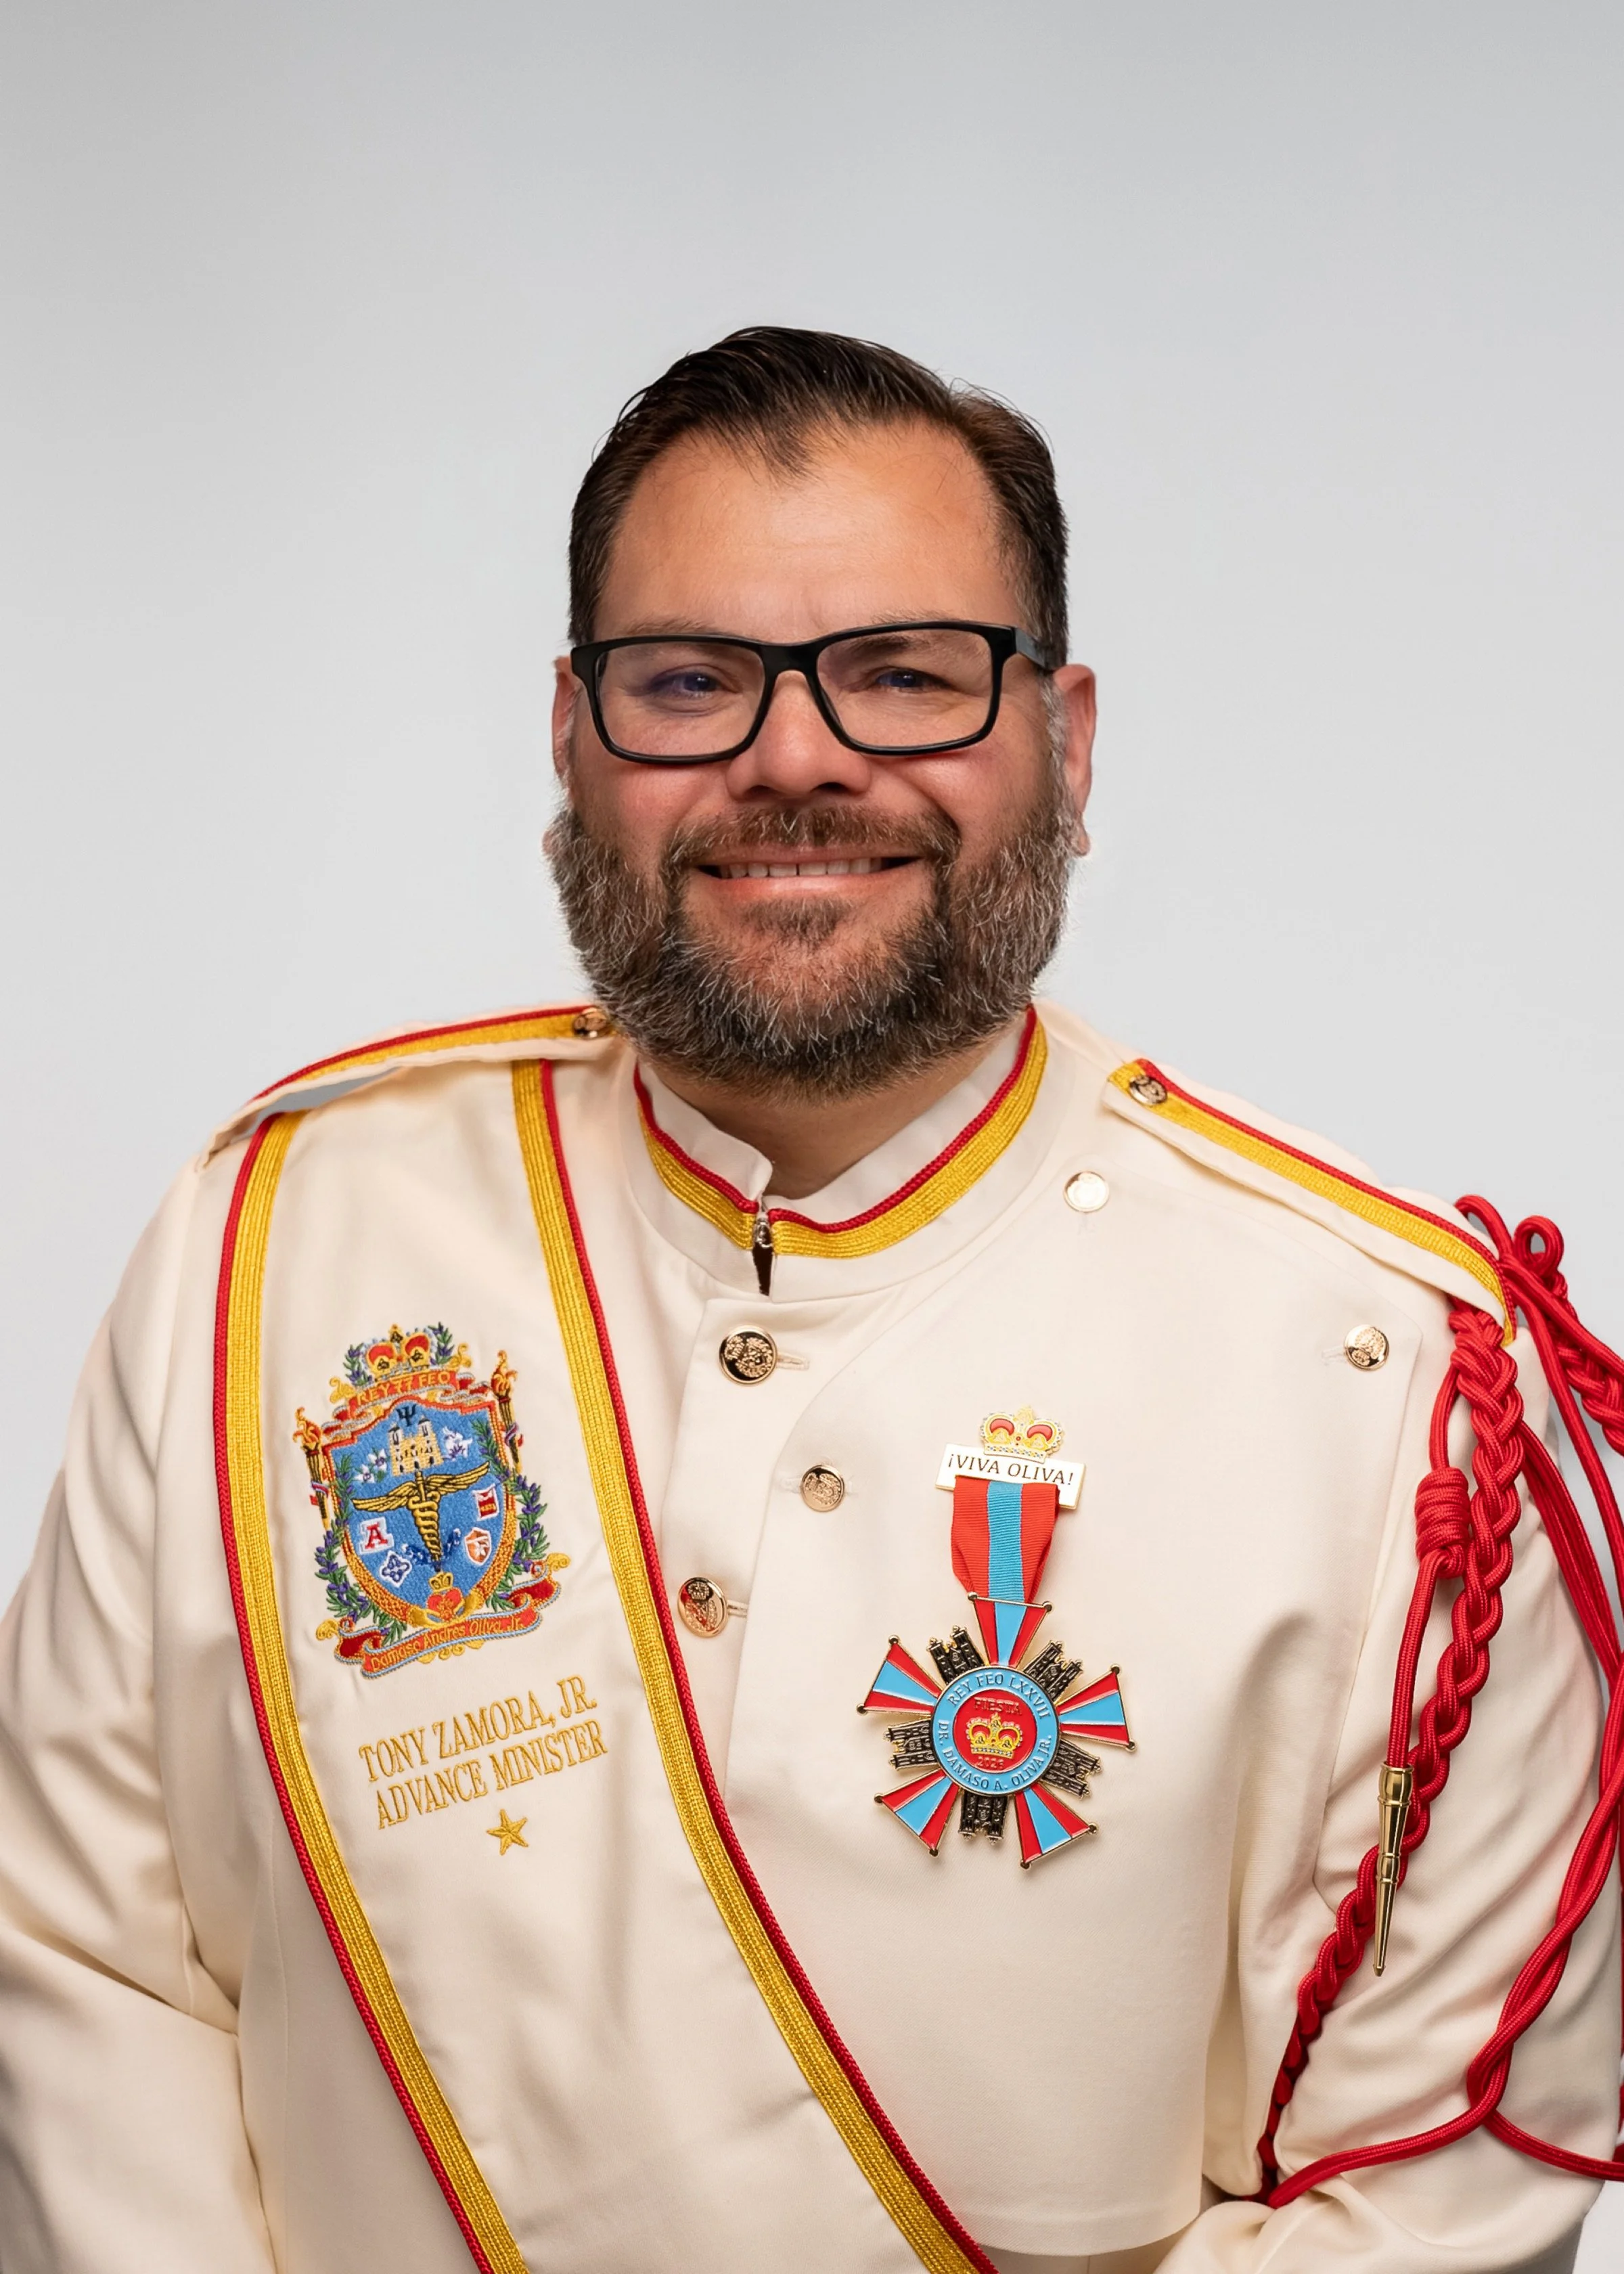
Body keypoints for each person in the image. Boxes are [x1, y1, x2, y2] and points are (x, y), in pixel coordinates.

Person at [0, 326, 1619, 2274]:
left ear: (1071, 737)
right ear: (570, 740)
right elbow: (84, 1968)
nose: (795, 756)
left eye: (906, 675)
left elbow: (1436, 2190)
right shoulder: (277, 1236)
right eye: (687, 681)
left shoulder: (1397, 1382)